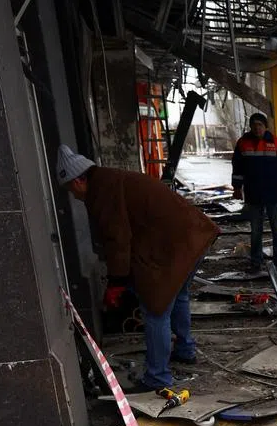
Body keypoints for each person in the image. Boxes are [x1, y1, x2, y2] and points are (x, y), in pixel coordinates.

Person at [56, 144, 219, 392]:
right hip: (194, 236)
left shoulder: (103, 193)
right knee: (179, 295)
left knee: (155, 309)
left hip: (177, 243)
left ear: (77, 182)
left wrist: (116, 283)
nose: (74, 196)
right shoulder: (110, 180)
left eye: (70, 190)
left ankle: (158, 377)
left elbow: (118, 240)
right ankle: (185, 349)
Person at [232, 113, 277, 273]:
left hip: (274, 193)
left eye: (260, 125)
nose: (257, 128)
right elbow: (237, 168)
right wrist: (236, 187)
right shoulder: (243, 143)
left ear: (266, 127)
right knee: (256, 231)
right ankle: (256, 263)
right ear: (250, 127)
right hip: (254, 194)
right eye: (254, 125)